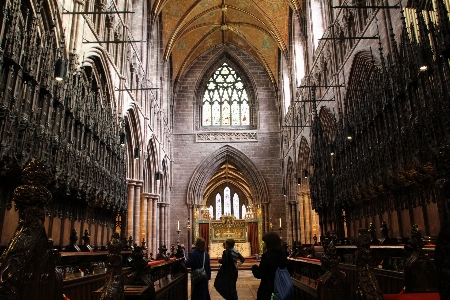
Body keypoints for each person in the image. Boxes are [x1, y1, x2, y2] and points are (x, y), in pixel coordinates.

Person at [251, 232, 288, 300]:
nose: (264, 245)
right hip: (281, 286)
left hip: (268, 287)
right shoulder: (283, 254)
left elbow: (260, 273)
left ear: (268, 243)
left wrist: (254, 268)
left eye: (265, 242)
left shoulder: (267, 256)